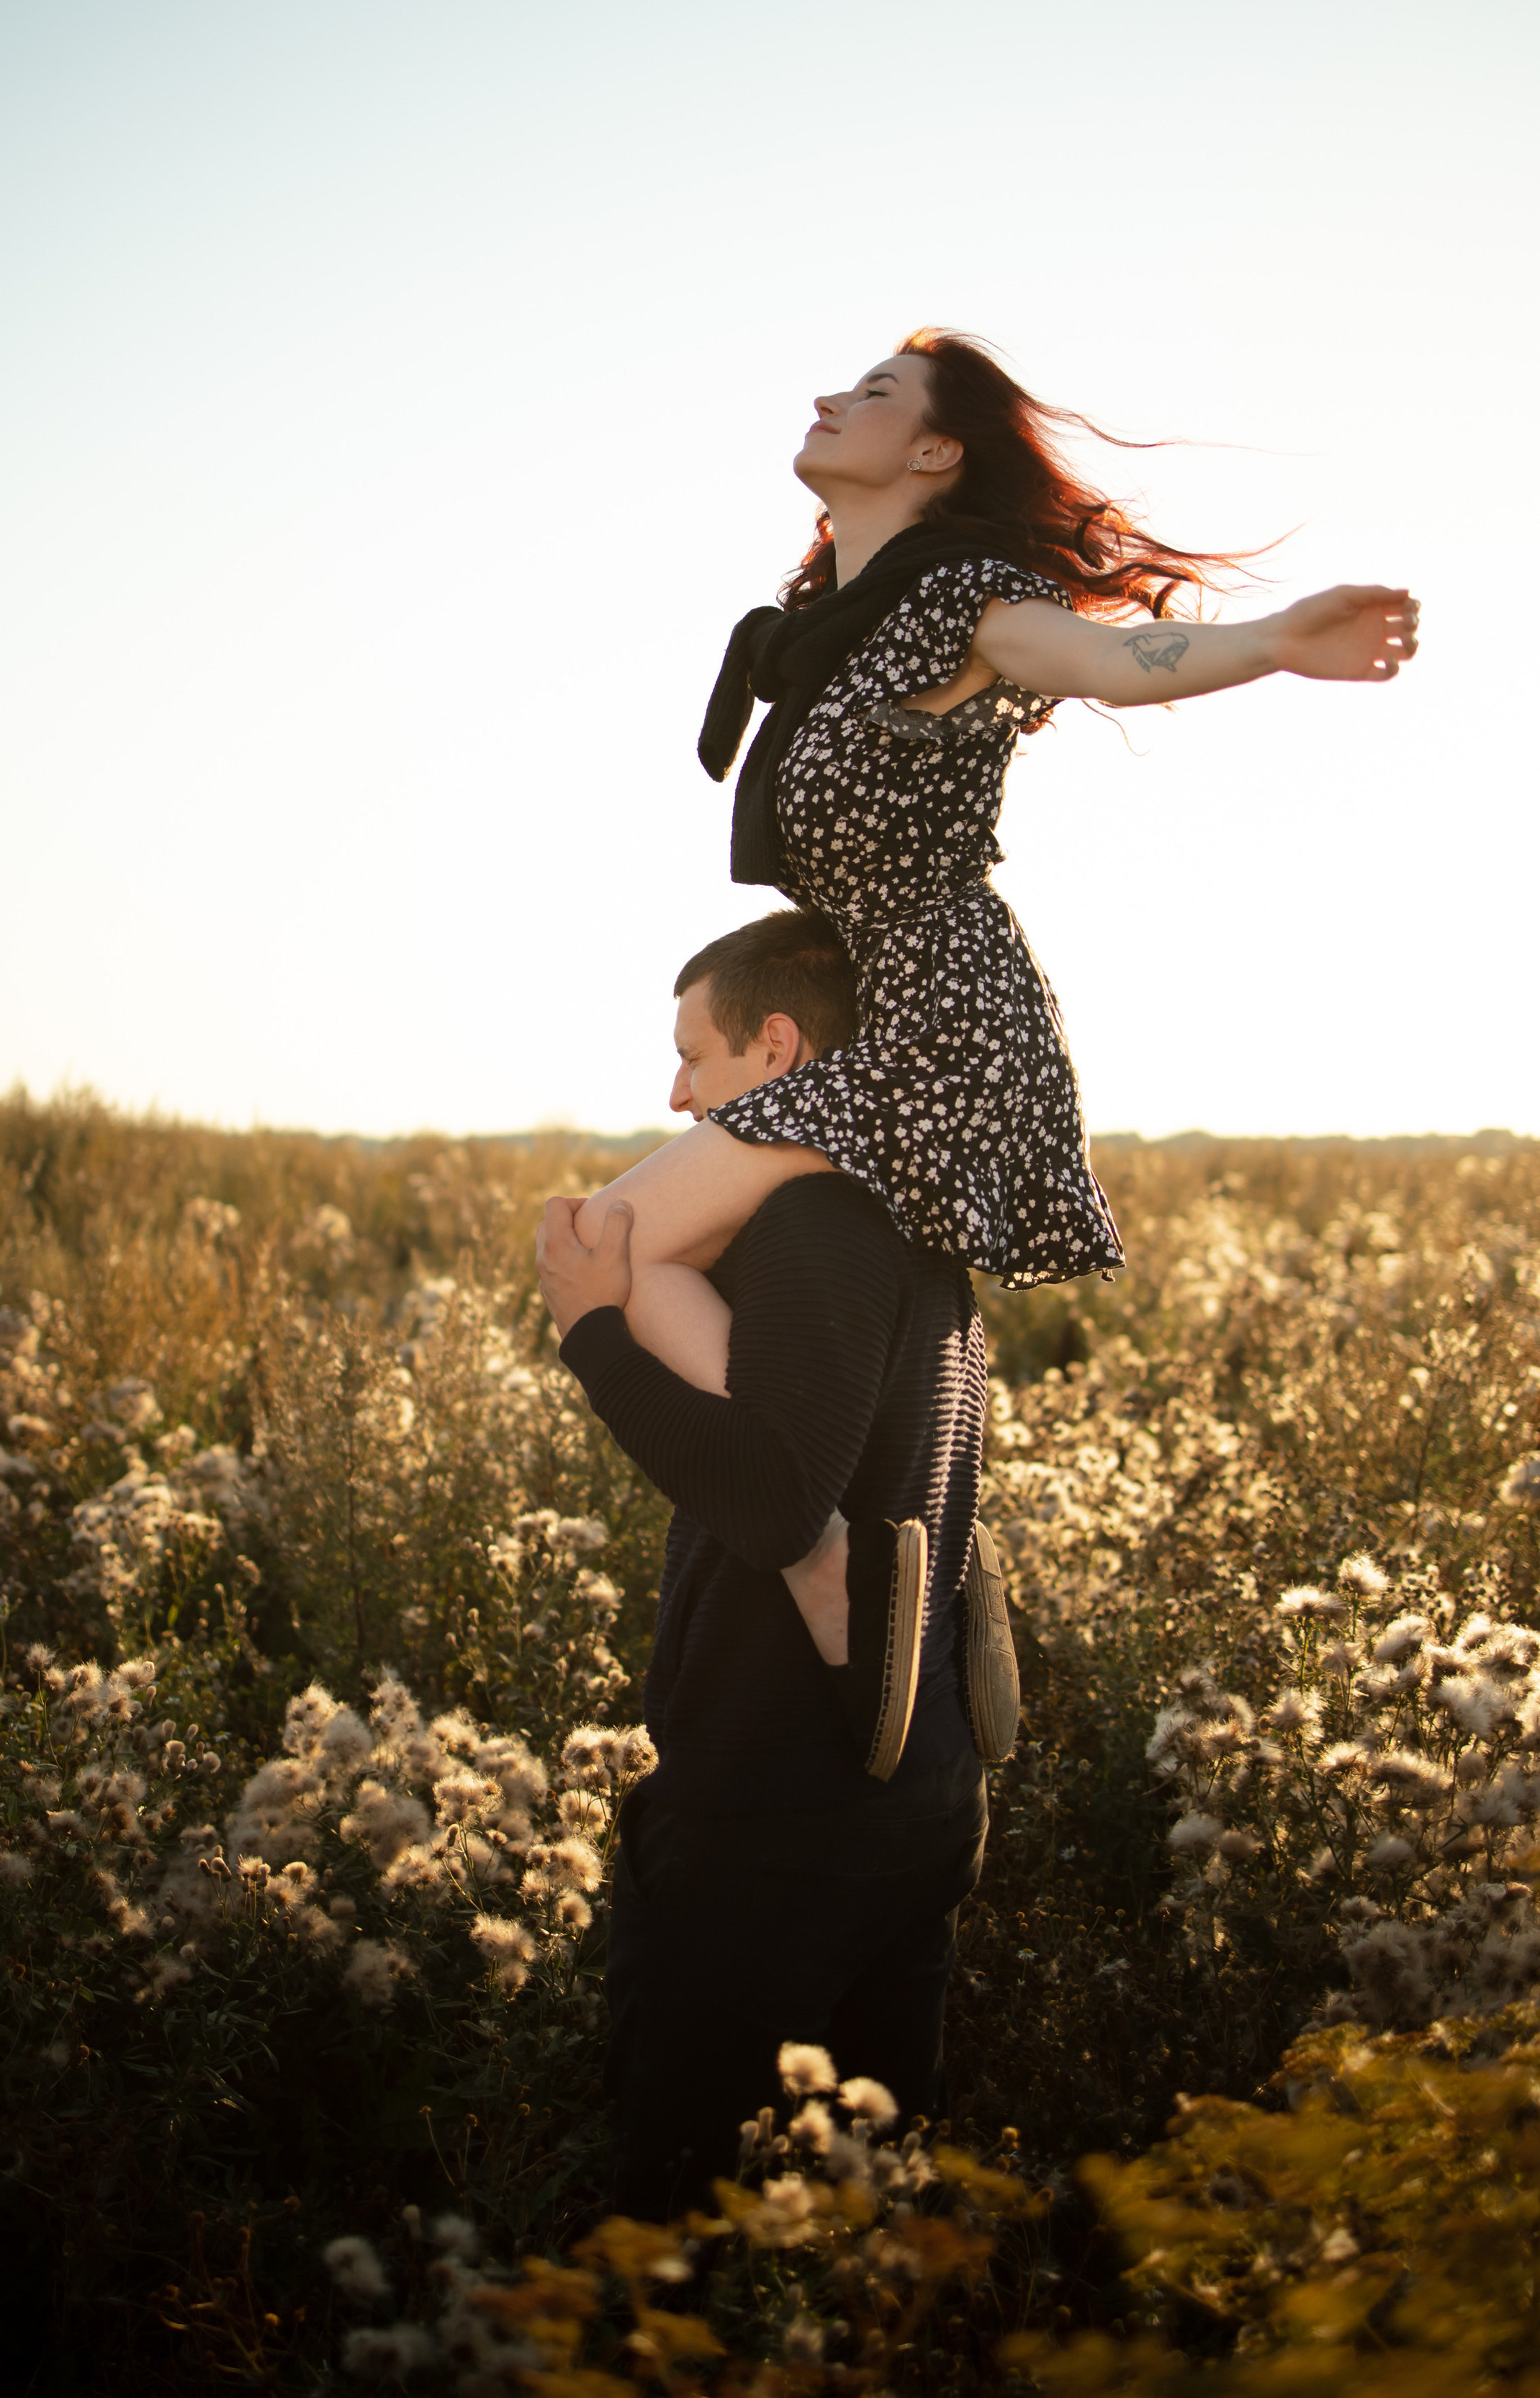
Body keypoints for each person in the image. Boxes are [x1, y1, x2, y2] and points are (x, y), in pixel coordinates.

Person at [563, 329, 1420, 1394]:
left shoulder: (970, 603)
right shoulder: (823, 637)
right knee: (639, 1246)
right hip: (870, 1013)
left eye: (876, 392)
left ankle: (806, 1516)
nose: (830, 397)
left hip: (943, 1024)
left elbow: (1108, 658)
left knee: (614, 1239)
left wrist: (1270, 642)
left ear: (936, 454)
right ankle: (810, 1487)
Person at [536, 907, 994, 2217]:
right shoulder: (914, 1221)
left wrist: (595, 1342)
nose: (677, 1094)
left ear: (780, 1050)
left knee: (674, 2212)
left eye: (700, 1057)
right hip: (906, 1784)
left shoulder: (819, 1230)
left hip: (778, 1822)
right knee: (868, 2209)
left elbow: (782, 1502)